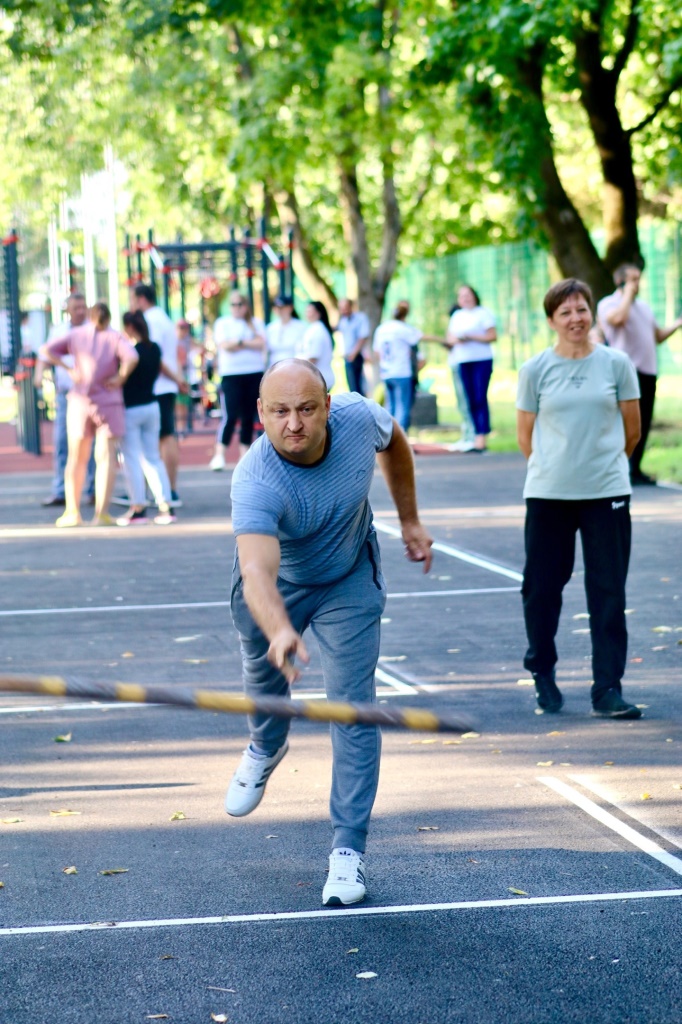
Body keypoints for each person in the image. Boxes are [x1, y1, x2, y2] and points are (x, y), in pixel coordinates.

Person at [226, 358, 433, 905]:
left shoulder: (361, 418)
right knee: (264, 678)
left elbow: (397, 443)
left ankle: (348, 852)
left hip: (348, 577)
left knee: (353, 707)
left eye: (306, 409)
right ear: (261, 413)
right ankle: (266, 746)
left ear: (328, 406)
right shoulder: (255, 479)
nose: (293, 423)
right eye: (280, 411)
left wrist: (409, 519)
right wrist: (279, 631)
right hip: (280, 586)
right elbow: (256, 574)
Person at [516, 278, 642, 719]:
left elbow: (632, 431)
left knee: (608, 591)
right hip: (549, 493)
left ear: (593, 313)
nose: (576, 318)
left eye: (582, 309)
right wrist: (558, 470)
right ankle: (543, 673)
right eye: (565, 311)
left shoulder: (616, 363)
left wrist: (602, 469)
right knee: (542, 590)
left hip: (606, 491)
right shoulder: (534, 369)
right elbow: (525, 436)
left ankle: (608, 687)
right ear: (551, 320)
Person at [41, 302, 138, 528]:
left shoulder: (76, 334)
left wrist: (68, 369)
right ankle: (101, 513)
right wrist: (121, 377)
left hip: (80, 399)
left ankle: (72, 512)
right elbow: (132, 357)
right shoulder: (115, 337)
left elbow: (46, 350)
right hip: (109, 400)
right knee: (105, 458)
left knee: (77, 458)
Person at [597, 264, 682, 486]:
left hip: (647, 371)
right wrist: (626, 295)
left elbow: (659, 336)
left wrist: (677, 324)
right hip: (625, 372)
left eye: (638, 279)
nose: (637, 283)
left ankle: (635, 469)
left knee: (643, 420)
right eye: (632, 279)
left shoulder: (644, 307)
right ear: (621, 282)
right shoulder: (609, 304)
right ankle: (620, 468)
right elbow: (618, 320)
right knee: (624, 421)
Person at [117, 311, 180, 527]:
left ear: (129, 328)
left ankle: (138, 507)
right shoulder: (154, 349)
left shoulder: (131, 354)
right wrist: (180, 381)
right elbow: (162, 368)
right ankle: (166, 505)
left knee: (132, 458)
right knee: (153, 457)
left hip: (132, 409)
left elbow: (121, 378)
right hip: (152, 406)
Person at [34, 294, 96, 508]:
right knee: (62, 442)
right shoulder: (59, 330)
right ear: (68, 310)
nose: (80, 310)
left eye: (83, 306)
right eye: (76, 307)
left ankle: (94, 489)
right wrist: (39, 375)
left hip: (90, 394)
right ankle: (60, 490)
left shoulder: (93, 329)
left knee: (91, 442)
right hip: (66, 393)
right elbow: (45, 354)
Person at [132, 284, 183, 506]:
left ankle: (167, 490)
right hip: (164, 385)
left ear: (141, 299)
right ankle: (164, 489)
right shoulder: (164, 318)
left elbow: (154, 356)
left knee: (162, 439)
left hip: (157, 386)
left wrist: (175, 379)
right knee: (164, 438)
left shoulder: (150, 321)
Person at [209, 291, 267, 470]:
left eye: (240, 304)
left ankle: (244, 455)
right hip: (231, 374)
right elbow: (224, 345)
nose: (237, 308)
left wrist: (239, 342)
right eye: (233, 305)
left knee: (249, 416)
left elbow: (262, 343)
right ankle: (220, 454)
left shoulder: (256, 323)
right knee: (231, 414)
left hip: (253, 373)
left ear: (246, 306)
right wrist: (246, 342)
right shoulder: (223, 323)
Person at [443, 285, 497, 453]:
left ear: (474, 295)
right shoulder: (457, 316)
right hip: (462, 360)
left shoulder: (483, 313)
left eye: (468, 294)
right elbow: (450, 338)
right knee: (468, 399)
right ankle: (472, 436)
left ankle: (482, 438)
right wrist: (455, 340)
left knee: (480, 397)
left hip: (481, 360)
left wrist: (471, 336)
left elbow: (492, 336)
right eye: (461, 295)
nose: (465, 298)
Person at [373, 300, 437, 431]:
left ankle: (388, 440)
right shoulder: (405, 329)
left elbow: (377, 352)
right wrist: (444, 341)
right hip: (402, 372)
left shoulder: (382, 329)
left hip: (387, 372)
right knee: (403, 408)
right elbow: (421, 338)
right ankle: (399, 441)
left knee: (390, 407)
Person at [297, 300, 335, 390]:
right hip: (316, 378)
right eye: (306, 311)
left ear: (318, 313)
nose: (307, 314)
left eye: (310, 311)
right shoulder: (313, 329)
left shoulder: (317, 331)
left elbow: (313, 358)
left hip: (318, 379)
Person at [336, 298, 370, 395]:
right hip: (348, 356)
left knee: (357, 388)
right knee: (352, 387)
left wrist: (353, 354)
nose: (344, 311)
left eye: (345, 308)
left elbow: (363, 337)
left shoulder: (360, 318)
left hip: (356, 356)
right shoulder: (343, 320)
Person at [265, 295, 306, 366]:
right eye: (276, 307)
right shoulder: (270, 328)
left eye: (282, 307)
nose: (279, 310)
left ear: (290, 308)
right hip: (274, 367)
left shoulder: (300, 326)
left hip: (294, 366)